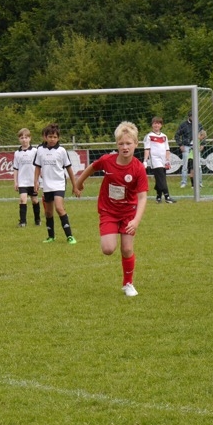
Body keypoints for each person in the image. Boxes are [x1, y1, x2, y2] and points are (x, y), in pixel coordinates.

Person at [75, 121, 148, 297]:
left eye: (128, 143)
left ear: (136, 144)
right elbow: (92, 167)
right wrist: (79, 182)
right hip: (108, 211)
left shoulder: (138, 168)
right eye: (121, 143)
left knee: (127, 249)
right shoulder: (107, 161)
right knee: (108, 249)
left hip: (129, 212)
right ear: (117, 144)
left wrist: (136, 220)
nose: (125, 147)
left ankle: (128, 283)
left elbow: (142, 197)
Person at [33, 123, 79, 244]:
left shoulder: (61, 151)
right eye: (50, 137)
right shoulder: (40, 150)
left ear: (58, 138)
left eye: (54, 137)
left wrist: (75, 186)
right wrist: (35, 182)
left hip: (59, 183)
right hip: (46, 185)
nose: (52, 139)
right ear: (45, 137)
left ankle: (70, 236)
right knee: (48, 212)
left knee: (59, 208)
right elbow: (37, 167)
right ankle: (51, 236)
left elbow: (69, 169)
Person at [143, 116, 176, 204]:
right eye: (155, 123)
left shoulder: (164, 136)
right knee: (161, 178)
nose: (156, 125)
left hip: (163, 159)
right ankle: (167, 197)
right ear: (152, 125)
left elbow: (167, 149)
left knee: (160, 178)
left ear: (161, 125)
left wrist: (167, 160)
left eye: (158, 123)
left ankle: (158, 197)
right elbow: (147, 149)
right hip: (155, 159)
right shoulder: (149, 136)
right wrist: (145, 160)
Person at [13, 127, 41, 227]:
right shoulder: (17, 153)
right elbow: (16, 168)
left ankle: (37, 219)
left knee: (34, 200)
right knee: (22, 199)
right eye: (22, 138)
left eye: (26, 137)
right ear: (19, 139)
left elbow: (39, 166)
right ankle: (23, 222)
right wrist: (15, 182)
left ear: (30, 138)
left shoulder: (35, 151)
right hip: (22, 181)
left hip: (33, 181)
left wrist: (38, 180)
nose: (24, 140)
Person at [175, 111, 203, 188]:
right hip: (186, 146)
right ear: (189, 117)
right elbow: (177, 135)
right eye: (192, 116)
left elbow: (203, 135)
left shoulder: (199, 124)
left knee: (198, 165)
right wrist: (180, 145)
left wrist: (202, 144)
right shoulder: (183, 125)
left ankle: (200, 182)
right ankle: (183, 182)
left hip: (196, 146)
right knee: (185, 166)